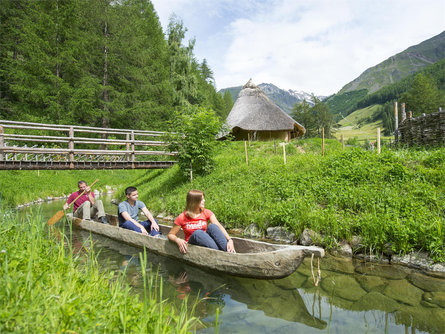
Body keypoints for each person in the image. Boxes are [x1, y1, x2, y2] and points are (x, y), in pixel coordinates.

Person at [168, 190, 236, 254]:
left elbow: (218, 226)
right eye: (201, 199)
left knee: (213, 227)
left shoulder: (206, 212)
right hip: (193, 242)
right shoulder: (182, 217)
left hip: (205, 242)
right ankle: (218, 254)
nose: (204, 201)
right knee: (198, 233)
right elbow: (171, 235)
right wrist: (178, 240)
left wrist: (230, 240)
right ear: (194, 202)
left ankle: (229, 253)